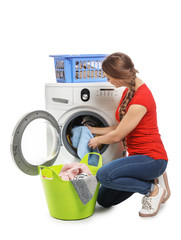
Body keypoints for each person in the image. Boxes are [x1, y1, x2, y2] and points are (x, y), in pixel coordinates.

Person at [87, 52, 170, 217]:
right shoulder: (128, 92)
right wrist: (91, 130)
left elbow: (117, 136)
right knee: (104, 200)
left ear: (119, 76)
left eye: (109, 77)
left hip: (152, 159)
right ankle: (151, 179)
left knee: (103, 175)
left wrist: (97, 140)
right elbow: (118, 128)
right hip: (137, 158)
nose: (107, 81)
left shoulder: (142, 98)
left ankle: (153, 190)